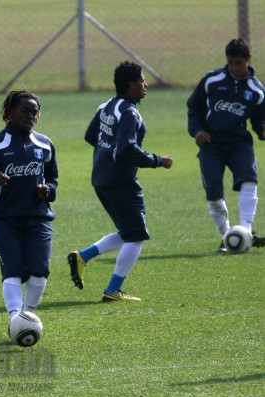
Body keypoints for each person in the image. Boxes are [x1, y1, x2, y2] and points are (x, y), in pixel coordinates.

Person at [68, 61, 173, 302]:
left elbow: (90, 135)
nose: (146, 85)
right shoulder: (129, 113)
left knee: (128, 232)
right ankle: (113, 290)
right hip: (121, 182)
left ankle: (82, 257)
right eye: (142, 81)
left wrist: (107, 154)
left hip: (101, 178)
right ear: (131, 85)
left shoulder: (107, 105)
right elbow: (127, 148)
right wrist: (157, 160)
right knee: (136, 235)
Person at [0, 88, 58, 321]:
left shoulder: (45, 145)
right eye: (24, 111)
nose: (30, 116)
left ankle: (26, 317)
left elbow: (53, 178)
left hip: (39, 219)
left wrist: (48, 190)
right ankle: (14, 318)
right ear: (9, 113)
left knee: (40, 271)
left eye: (34, 112)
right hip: (5, 220)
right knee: (12, 271)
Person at [187, 38, 265, 252]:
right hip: (211, 144)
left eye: (238, 63)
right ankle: (228, 236)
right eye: (230, 63)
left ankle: (246, 232)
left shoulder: (257, 90)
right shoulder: (212, 80)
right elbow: (194, 107)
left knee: (250, 179)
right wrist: (197, 130)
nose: (233, 67)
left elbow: (259, 120)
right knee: (213, 192)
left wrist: (262, 129)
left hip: (240, 143)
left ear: (248, 59)